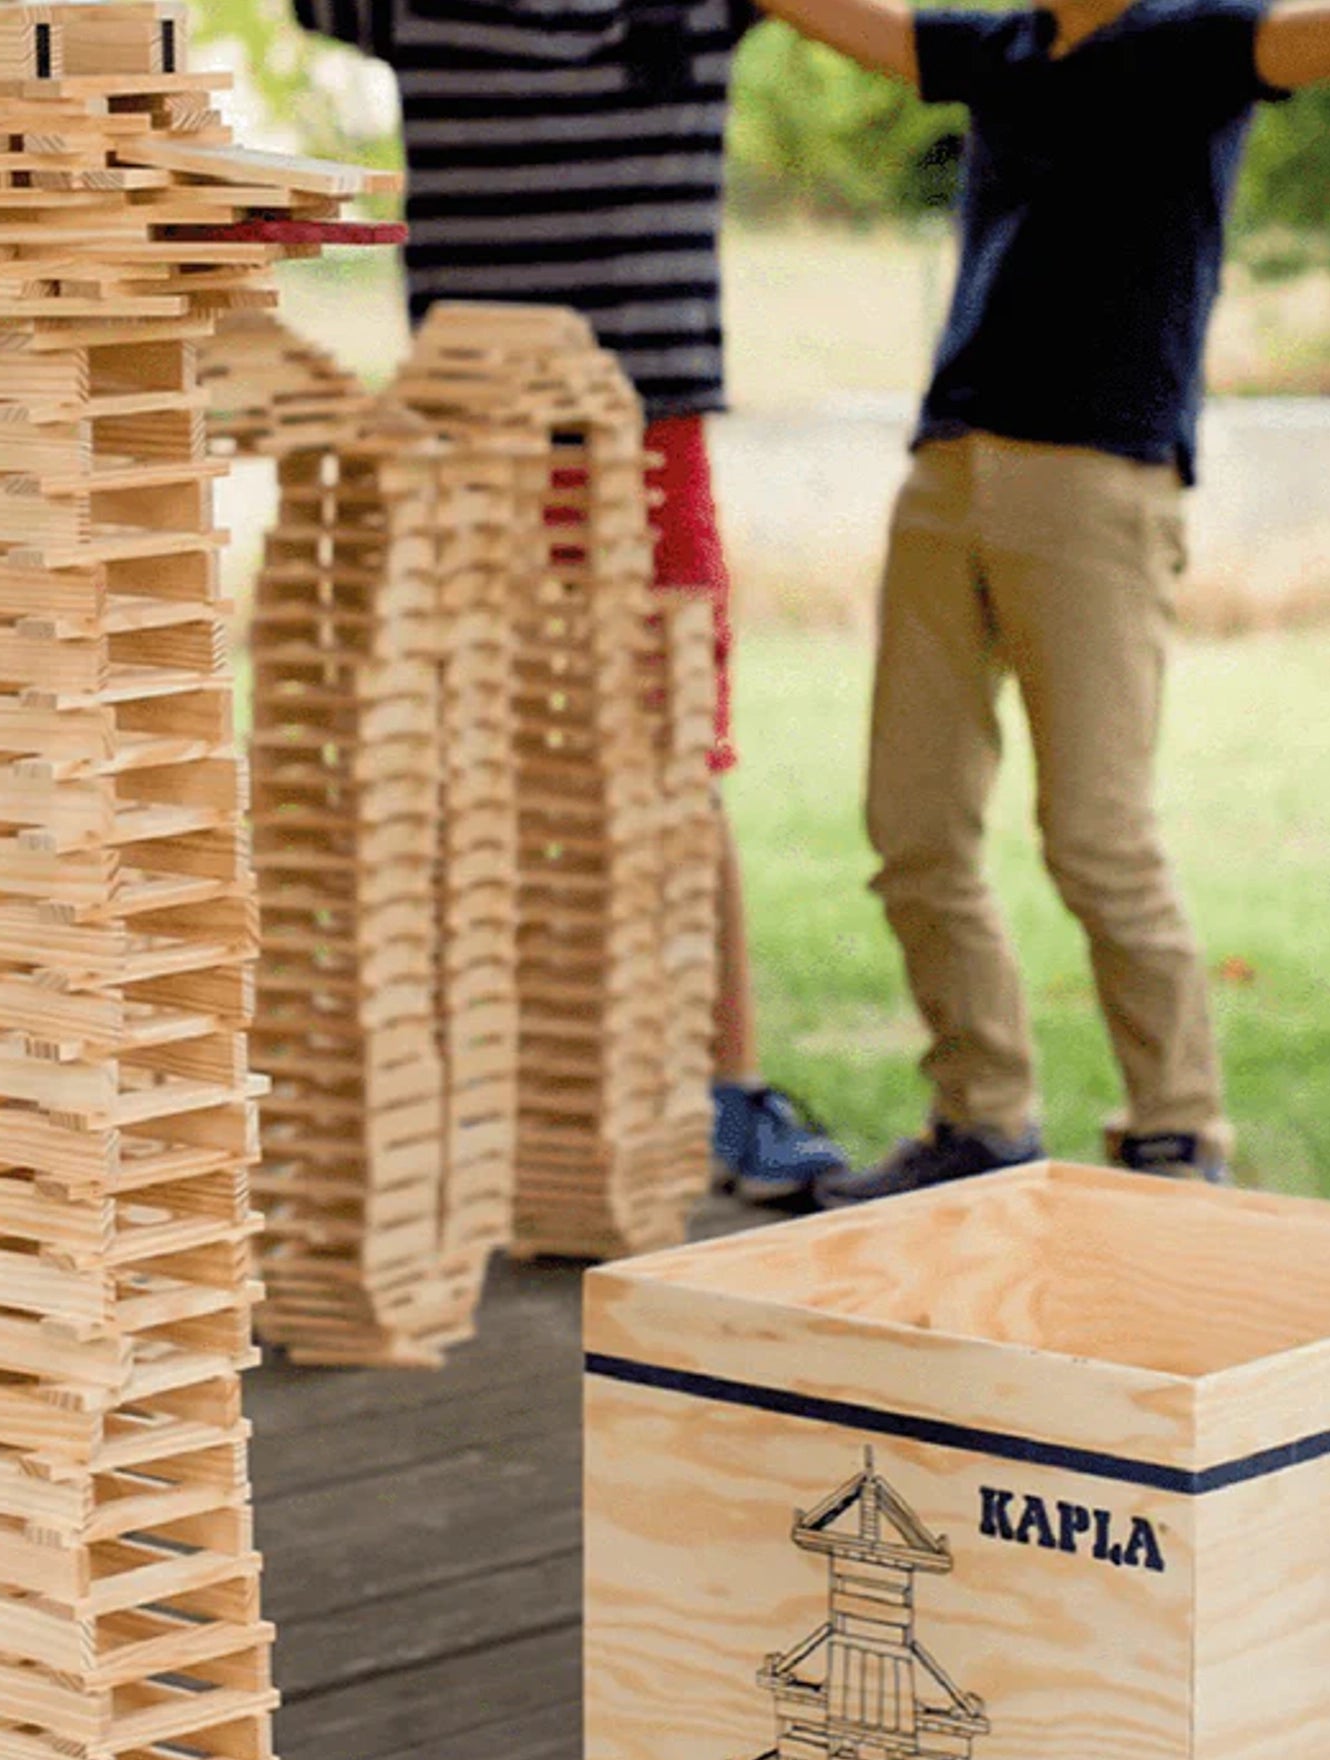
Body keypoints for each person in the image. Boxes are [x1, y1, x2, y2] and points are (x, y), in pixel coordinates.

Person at [731, 0, 1330, 1205]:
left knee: (1095, 838)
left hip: (1095, 485)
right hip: (948, 471)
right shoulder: (999, 49)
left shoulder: (1199, 44)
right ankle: (980, 1116)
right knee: (911, 830)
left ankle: (1177, 1131)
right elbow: (842, 20)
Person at [289, 0, 851, 1208]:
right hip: (466, 443)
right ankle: (477, 1091)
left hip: (642, 439)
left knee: (675, 762)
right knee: (464, 769)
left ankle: (725, 1084)